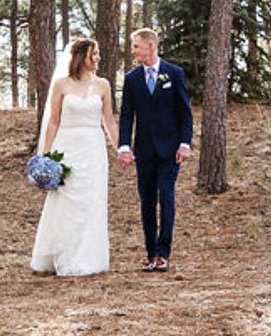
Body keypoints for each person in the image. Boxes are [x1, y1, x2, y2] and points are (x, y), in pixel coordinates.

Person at [30, 38, 119, 276]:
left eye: (98, 54)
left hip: (93, 148)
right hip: (67, 146)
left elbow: (108, 120)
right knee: (66, 200)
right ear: (81, 57)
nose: (98, 58)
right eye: (94, 54)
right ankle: (62, 253)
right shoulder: (61, 84)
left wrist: (120, 148)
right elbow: (53, 120)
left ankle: (87, 257)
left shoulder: (103, 85)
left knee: (91, 200)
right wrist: (46, 155)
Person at [117, 28, 193, 272]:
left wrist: (185, 143)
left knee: (166, 196)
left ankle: (164, 253)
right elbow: (127, 115)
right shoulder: (131, 79)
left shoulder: (174, 73)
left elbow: (185, 113)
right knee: (147, 202)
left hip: (170, 150)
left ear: (151, 46)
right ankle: (151, 253)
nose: (132, 51)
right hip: (144, 151)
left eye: (136, 46)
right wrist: (124, 146)